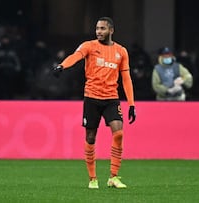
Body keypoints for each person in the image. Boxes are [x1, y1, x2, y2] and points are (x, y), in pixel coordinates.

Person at [52, 17, 136, 189]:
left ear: (111, 30)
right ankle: (93, 178)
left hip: (111, 98)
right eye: (97, 28)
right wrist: (62, 66)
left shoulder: (121, 51)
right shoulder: (89, 46)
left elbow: (126, 78)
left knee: (118, 133)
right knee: (90, 137)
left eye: (103, 28)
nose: (98, 31)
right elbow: (75, 56)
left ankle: (113, 177)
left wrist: (132, 104)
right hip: (92, 97)